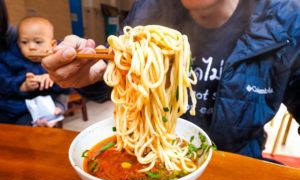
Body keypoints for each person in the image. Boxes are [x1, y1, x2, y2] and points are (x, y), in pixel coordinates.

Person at [41, 0, 300, 159]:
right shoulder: (149, 9)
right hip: (151, 156)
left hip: (237, 164)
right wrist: (89, 78)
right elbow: (118, 77)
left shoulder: (286, 20)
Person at [0, 14, 70, 127]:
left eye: (38, 42)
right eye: (24, 42)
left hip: (45, 111)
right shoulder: (9, 57)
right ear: (18, 43)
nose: (31, 47)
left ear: (52, 44)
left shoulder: (56, 59)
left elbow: (67, 88)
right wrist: (22, 85)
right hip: (13, 110)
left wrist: (53, 78)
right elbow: (4, 83)